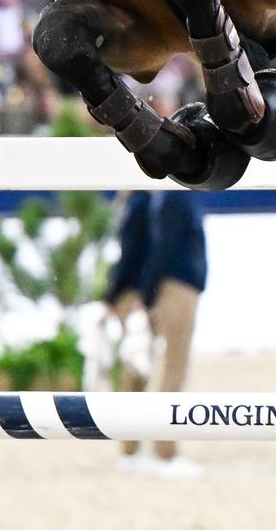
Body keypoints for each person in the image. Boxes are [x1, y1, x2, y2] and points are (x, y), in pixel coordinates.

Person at [102, 189, 207, 474]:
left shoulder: (148, 201)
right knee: (171, 370)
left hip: (147, 289)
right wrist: (144, 297)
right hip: (172, 288)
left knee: (140, 368)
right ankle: (164, 452)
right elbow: (161, 246)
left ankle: (132, 447)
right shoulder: (165, 198)